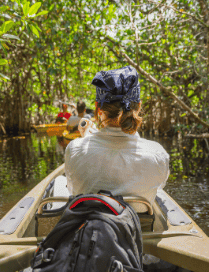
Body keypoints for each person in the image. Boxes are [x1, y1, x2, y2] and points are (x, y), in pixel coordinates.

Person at [64, 66, 169, 203]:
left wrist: (86, 139)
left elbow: (73, 190)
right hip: (139, 224)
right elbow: (159, 186)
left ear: (98, 107)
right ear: (138, 106)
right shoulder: (158, 153)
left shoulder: (75, 148)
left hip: (89, 221)